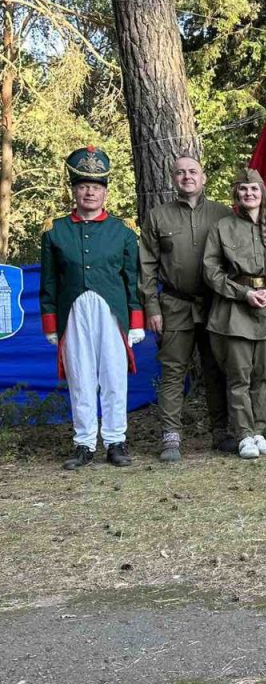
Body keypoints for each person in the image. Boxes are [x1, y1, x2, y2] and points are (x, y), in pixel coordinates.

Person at [42, 146, 144, 470]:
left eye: (96, 187)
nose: (90, 192)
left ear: (105, 192)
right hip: (73, 311)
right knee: (80, 376)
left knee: (114, 376)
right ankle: (84, 442)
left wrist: (136, 319)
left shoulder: (123, 231)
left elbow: (133, 279)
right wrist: (49, 324)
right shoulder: (55, 231)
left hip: (111, 312)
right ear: (74, 190)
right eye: (84, 186)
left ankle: (116, 441)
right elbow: (49, 282)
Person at [139, 155, 232, 461]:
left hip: (215, 305)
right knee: (173, 372)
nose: (187, 177)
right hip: (174, 305)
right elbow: (147, 267)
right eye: (180, 172)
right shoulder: (157, 216)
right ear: (173, 179)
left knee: (217, 369)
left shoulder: (223, 214)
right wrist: (152, 307)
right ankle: (170, 437)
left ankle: (222, 432)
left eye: (193, 171)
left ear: (203, 177)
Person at [203, 169, 266, 459]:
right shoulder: (223, 228)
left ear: (263, 194)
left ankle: (259, 430)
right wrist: (243, 293)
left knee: (262, 376)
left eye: (254, 189)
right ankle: (242, 434)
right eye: (243, 189)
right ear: (237, 194)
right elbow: (211, 270)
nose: (249, 194)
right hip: (235, 313)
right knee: (239, 377)